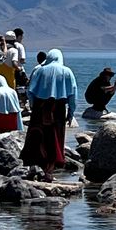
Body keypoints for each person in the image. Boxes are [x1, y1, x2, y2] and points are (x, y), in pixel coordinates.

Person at [20, 49, 77, 182]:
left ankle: (32, 168)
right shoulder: (67, 72)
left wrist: (33, 106)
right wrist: (71, 112)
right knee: (55, 139)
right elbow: (72, 94)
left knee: (36, 137)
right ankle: (48, 173)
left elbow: (31, 91)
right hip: (58, 109)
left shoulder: (40, 70)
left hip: (40, 108)